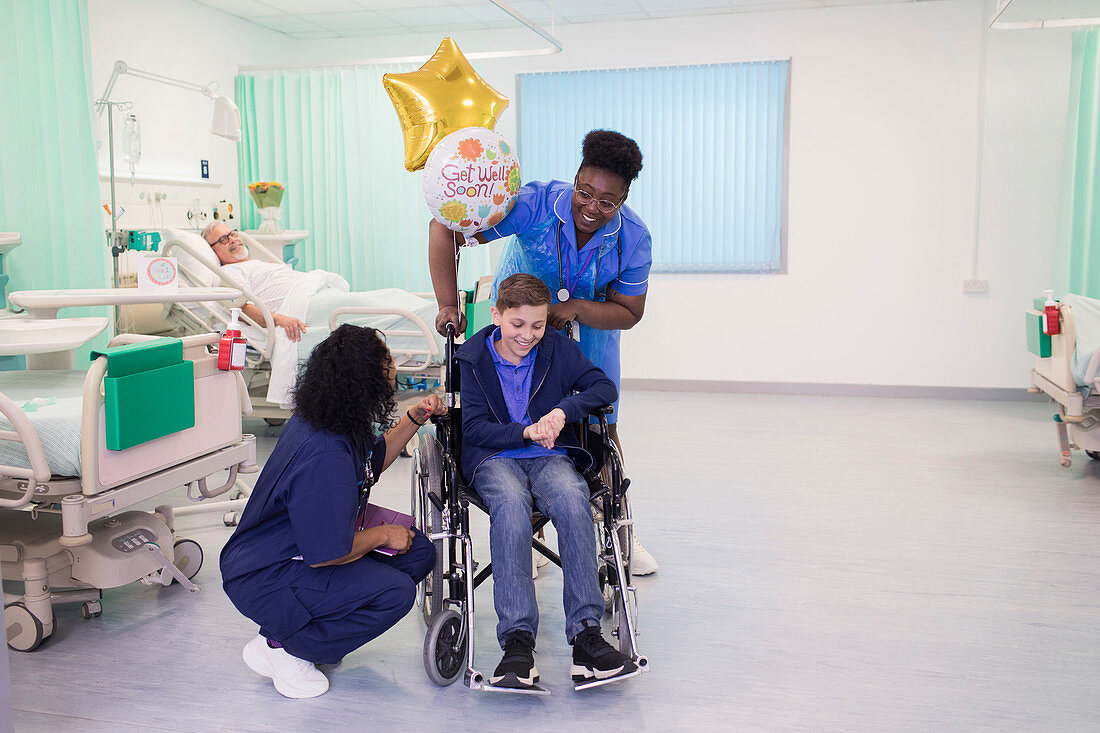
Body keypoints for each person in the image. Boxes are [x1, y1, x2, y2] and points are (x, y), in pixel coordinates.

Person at [428, 129, 658, 574]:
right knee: (515, 417)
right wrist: (446, 304)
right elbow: (444, 227)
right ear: (575, 178)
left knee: (601, 429)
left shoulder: (634, 238)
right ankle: (528, 530)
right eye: (585, 192)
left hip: (589, 334)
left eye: (607, 202)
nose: (592, 207)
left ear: (624, 198)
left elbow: (630, 311)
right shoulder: (534, 204)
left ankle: (617, 532)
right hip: (518, 326)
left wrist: (573, 308)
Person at [220, 324, 443, 699]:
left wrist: (414, 419)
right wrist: (385, 534)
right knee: (396, 593)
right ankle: (286, 648)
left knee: (419, 551)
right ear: (365, 377)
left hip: (295, 552)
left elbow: (371, 460)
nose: (393, 365)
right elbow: (328, 554)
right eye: (387, 360)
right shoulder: (325, 454)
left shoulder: (332, 419)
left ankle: (297, 631)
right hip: (266, 573)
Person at [457, 273, 635, 689]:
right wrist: (524, 431)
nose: (528, 335)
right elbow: (475, 429)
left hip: (550, 454)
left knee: (575, 501)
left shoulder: (556, 346)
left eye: (537, 326)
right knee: (511, 508)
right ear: (497, 315)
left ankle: (587, 636)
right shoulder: (472, 359)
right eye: (518, 325)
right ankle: (517, 642)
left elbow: (601, 385)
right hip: (494, 456)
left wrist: (562, 413)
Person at [202, 222, 316, 342]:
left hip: (311, 288)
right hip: (304, 303)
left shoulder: (254, 264)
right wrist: (278, 319)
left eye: (233, 234)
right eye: (223, 239)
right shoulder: (229, 272)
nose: (233, 240)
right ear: (213, 250)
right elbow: (241, 310)